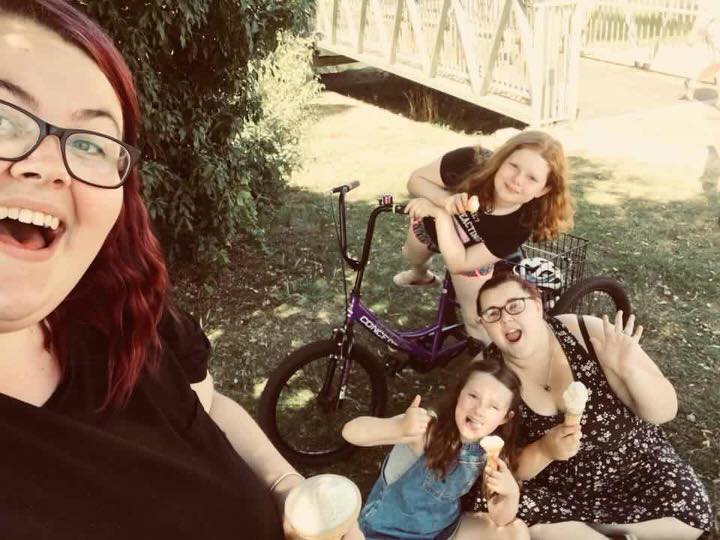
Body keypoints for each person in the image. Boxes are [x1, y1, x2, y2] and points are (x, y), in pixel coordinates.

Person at [0, 1, 362, 538]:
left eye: (90, 143)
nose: (48, 165)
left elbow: (207, 406)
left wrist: (288, 489)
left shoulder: (121, 308)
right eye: (4, 117)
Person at [463, 273, 714, 539]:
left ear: (537, 305)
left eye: (515, 305)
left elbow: (664, 412)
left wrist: (629, 371)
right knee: (505, 505)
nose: (505, 318)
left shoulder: (586, 333)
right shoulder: (487, 375)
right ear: (484, 325)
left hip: (636, 468)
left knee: (692, 511)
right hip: (557, 490)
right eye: (492, 313)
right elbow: (497, 466)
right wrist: (545, 450)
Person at [394, 131, 573, 347]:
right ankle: (420, 275)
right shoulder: (468, 161)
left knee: (475, 321)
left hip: (468, 254)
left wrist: (441, 214)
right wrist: (446, 200)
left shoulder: (520, 224)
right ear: (501, 159)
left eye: (532, 178)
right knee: (410, 255)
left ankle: (495, 367)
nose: (517, 180)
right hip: (428, 229)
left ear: (543, 189)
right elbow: (416, 180)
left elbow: (459, 263)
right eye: (514, 166)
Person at [343, 359, 530, 540]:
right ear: (459, 394)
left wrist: (511, 494)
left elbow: (500, 519)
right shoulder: (427, 430)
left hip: (443, 532)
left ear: (506, 417)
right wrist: (398, 428)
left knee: (515, 531)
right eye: (473, 396)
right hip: (385, 532)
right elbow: (350, 432)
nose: (479, 410)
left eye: (493, 406)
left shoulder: (491, 452)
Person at [683, 0, 720, 107]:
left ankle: (691, 83)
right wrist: (694, 34)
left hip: (713, 29)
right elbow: (704, 18)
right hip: (715, 31)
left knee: (714, 63)